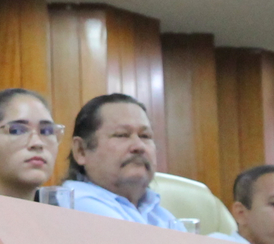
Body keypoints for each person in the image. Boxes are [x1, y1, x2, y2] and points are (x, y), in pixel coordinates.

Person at [56, 93, 183, 230]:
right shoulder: (76, 204)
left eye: (145, 136)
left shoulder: (160, 215)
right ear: (81, 151)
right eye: (122, 135)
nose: (139, 146)